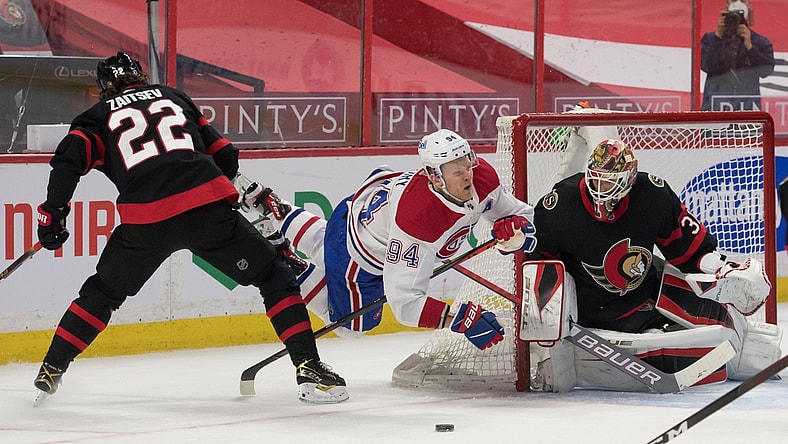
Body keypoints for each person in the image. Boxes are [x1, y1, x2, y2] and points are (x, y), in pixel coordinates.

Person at [33, 52, 348, 405]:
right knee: (274, 277)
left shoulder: (95, 117)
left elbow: (67, 161)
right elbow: (225, 156)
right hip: (207, 209)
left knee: (102, 294)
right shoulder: (174, 97)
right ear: (142, 75)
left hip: (146, 221)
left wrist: (54, 213)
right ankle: (308, 366)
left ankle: (51, 368)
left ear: (104, 87)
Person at [236, 129, 537, 350]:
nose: (468, 175)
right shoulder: (417, 222)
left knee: (323, 242)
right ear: (434, 177)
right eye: (456, 171)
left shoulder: (481, 176)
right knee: (355, 327)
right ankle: (292, 265)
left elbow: (520, 214)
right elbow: (404, 303)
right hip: (356, 250)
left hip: (365, 212)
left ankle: (278, 209)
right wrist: (458, 318)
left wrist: (517, 229)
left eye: (468, 163)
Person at [524, 138, 782, 392]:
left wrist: (721, 268)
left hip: (646, 295)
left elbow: (689, 249)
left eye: (610, 181)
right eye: (596, 178)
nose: (601, 188)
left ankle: (753, 348)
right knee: (679, 355)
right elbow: (536, 259)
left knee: (720, 319)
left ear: (630, 179)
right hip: (590, 313)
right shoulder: (560, 204)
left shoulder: (653, 195)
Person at [701, 0, 774, 111]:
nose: (738, 3)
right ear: (727, 5)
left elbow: (766, 70)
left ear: (749, 6)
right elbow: (705, 65)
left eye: (743, 0)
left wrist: (750, 47)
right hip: (715, 109)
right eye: (734, 0)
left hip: (747, 109)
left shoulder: (760, 42)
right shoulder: (710, 39)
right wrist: (718, 36)